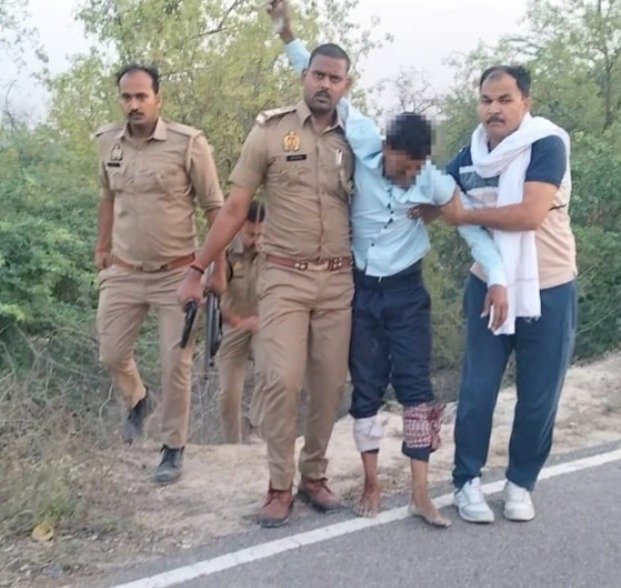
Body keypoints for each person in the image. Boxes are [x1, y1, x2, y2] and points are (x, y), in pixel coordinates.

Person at [268, 0, 509, 527]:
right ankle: (372, 482)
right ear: (386, 148)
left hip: (406, 292)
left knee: (418, 389)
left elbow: (470, 226)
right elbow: (320, 77)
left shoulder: (431, 181)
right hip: (359, 291)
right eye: (404, 165)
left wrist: (497, 278)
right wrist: (287, 32)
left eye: (417, 168)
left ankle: (421, 492)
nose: (409, 175)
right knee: (367, 387)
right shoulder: (362, 140)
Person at [177, 43, 355, 528]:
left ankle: (314, 475)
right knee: (281, 380)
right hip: (285, 278)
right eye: (318, 75)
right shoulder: (271, 132)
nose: (325, 84)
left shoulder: (356, 137)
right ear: (305, 76)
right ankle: (279, 485)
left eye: (334, 78)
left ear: (346, 85)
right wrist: (197, 268)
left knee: (329, 383)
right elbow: (235, 208)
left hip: (338, 279)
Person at [440, 65, 577, 523]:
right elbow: (438, 193)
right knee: (477, 390)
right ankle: (466, 482)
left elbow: (528, 214)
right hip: (487, 286)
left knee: (538, 395)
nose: (494, 109)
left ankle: (520, 483)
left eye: (504, 100)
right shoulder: (470, 156)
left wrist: (465, 215)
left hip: (549, 287)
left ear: (526, 102)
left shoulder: (546, 145)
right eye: (486, 100)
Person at [94, 63, 226, 485]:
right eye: (126, 97)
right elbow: (107, 197)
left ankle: (173, 447)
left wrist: (217, 269)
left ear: (158, 98)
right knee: (111, 352)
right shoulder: (107, 142)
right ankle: (138, 398)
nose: (133, 104)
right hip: (124, 270)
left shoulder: (189, 144)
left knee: (175, 364)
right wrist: (102, 246)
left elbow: (216, 208)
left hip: (177, 274)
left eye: (141, 96)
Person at [217, 200, 266, 444]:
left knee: (271, 368)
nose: (255, 240)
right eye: (250, 234)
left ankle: (255, 426)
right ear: (239, 228)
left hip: (265, 322)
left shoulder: (274, 249)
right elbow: (209, 300)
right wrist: (236, 321)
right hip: (234, 323)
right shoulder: (224, 251)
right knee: (228, 394)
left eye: (259, 234)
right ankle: (232, 445)